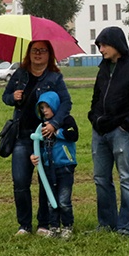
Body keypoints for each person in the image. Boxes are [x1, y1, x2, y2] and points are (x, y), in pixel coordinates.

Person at [87, 26, 129, 236]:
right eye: (99, 45)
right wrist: (94, 118)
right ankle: (106, 224)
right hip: (100, 132)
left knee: (126, 178)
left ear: (117, 44)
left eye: (104, 44)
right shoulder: (103, 70)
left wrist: (126, 125)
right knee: (101, 178)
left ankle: (125, 227)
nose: (101, 49)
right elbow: (96, 98)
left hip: (122, 133)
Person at [2, 40, 72, 236]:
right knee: (20, 181)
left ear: (49, 55)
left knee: (45, 181)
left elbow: (66, 103)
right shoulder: (19, 74)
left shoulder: (55, 78)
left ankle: (43, 223)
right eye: (35, 50)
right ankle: (24, 225)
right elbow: (5, 96)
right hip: (22, 137)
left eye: (43, 51)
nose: (38, 54)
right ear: (29, 53)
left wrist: (54, 124)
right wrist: (12, 97)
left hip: (46, 138)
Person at [29, 91, 79, 239]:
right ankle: (54, 227)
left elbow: (73, 135)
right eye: (42, 108)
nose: (45, 110)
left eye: (47, 107)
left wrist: (56, 131)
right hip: (48, 168)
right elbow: (37, 144)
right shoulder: (41, 125)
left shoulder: (67, 120)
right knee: (51, 200)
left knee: (64, 200)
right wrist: (34, 156)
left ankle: (67, 226)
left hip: (65, 166)